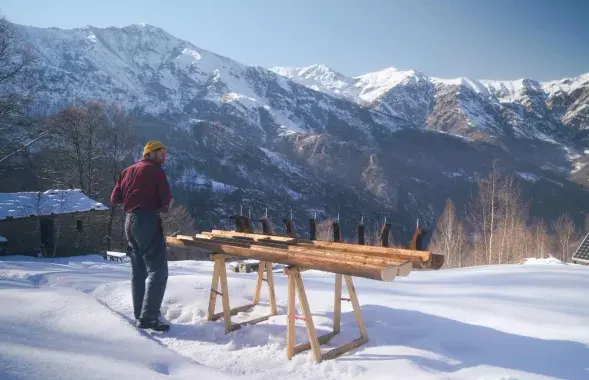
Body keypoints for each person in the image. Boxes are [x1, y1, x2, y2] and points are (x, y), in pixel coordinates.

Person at [110, 141, 172, 331]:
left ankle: (140, 315)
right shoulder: (155, 171)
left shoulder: (127, 171)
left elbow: (115, 199)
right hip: (147, 220)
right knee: (158, 271)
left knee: (138, 272)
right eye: (161, 153)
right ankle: (149, 318)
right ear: (150, 153)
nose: (164, 157)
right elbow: (166, 202)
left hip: (129, 221)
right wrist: (158, 205)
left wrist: (133, 198)